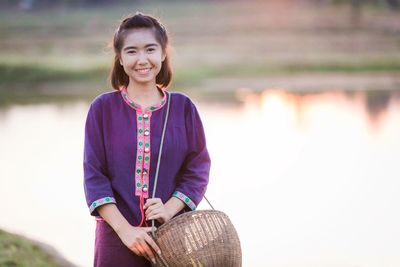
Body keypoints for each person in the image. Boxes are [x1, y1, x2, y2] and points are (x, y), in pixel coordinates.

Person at [83, 12, 211, 267]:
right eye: (131, 51)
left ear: (163, 53)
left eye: (150, 49)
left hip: (171, 239)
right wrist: (126, 232)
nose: (142, 60)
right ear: (120, 58)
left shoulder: (183, 108)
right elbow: (94, 175)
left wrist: (169, 209)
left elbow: (198, 169)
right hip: (115, 239)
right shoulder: (103, 109)